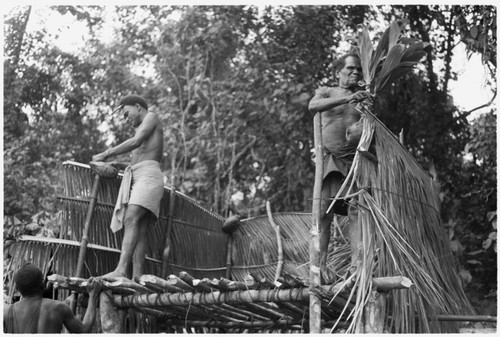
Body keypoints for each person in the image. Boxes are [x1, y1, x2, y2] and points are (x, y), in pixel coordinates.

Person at [308, 53, 372, 283]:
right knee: (322, 214)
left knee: (356, 211)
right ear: (338, 72)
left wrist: (363, 104)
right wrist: (347, 99)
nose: (355, 73)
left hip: (353, 162)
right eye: (350, 69)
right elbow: (313, 106)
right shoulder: (327, 91)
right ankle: (318, 267)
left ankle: (357, 267)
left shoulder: (363, 98)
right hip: (329, 160)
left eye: (358, 71)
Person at [92, 94, 164, 280]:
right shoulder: (142, 126)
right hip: (140, 176)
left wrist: (106, 154)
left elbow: (136, 142)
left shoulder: (151, 117)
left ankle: (121, 269)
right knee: (139, 229)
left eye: (126, 113)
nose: (126, 118)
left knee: (131, 217)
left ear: (138, 107)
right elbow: (141, 154)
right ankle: (137, 277)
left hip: (149, 177)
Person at [3, 263, 101, 333]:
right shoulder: (58, 308)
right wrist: (93, 295)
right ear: (43, 285)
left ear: (17, 289)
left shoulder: (5, 312)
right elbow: (84, 331)